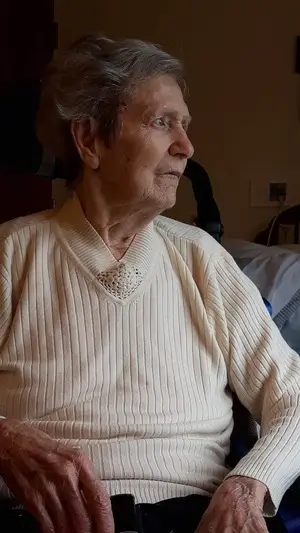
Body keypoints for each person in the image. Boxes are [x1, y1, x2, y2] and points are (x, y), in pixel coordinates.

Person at [0, 34, 299, 533]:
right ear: (90, 140)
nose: (187, 147)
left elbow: (292, 394)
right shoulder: (13, 254)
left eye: (185, 126)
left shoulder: (201, 257)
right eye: (163, 123)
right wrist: (5, 439)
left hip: (196, 519)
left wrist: (249, 484)